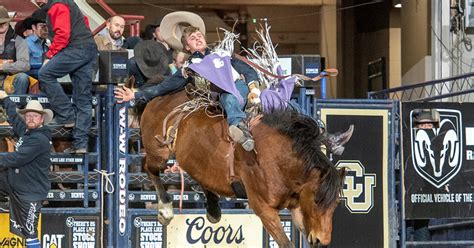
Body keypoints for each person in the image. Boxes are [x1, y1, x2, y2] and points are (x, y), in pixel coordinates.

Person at [115, 25, 258, 151]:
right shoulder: (189, 68)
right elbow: (164, 87)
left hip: (239, 87)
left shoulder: (222, 54)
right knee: (228, 98)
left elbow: (248, 70)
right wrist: (136, 95)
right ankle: (241, 131)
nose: (198, 38)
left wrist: (253, 88)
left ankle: (240, 129)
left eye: (199, 36)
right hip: (220, 96)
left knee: (233, 98)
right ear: (187, 47)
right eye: (192, 38)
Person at [33, 0, 98, 154]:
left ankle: (66, 115)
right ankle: (80, 144)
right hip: (88, 47)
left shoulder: (58, 5)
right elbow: (85, 21)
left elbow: (63, 35)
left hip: (76, 48)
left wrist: (49, 55)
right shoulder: (68, 4)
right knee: (83, 98)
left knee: (45, 74)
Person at [0, 90, 53, 248]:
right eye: (28, 115)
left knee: (30, 234)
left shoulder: (39, 139)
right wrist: (5, 99)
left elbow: (16, 159)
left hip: (30, 192)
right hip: (17, 184)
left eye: (34, 116)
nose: (30, 118)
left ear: (41, 119)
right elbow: (16, 120)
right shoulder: (28, 132)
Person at [0, 6, 31, 95]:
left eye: (3, 22)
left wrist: (2, 67)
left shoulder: (19, 40)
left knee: (22, 77)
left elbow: (25, 65)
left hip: (9, 80)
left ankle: (16, 107)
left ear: (8, 22)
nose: (1, 25)